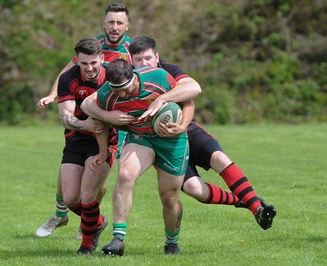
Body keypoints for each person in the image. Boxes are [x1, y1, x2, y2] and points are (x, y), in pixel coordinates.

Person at [82, 35, 277, 233]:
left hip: (186, 128)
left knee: (219, 158)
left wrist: (164, 101)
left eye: (148, 58)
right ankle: (241, 201)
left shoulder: (168, 71)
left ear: (157, 57)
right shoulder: (125, 81)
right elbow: (89, 102)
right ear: (131, 62)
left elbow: (194, 88)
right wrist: (108, 115)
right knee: (195, 190)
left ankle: (257, 209)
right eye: (138, 60)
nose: (144, 63)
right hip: (160, 140)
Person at [35, 3, 132, 239]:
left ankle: (87, 222)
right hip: (80, 120)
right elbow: (67, 71)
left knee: (97, 178)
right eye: (111, 22)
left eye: (119, 23)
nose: (114, 27)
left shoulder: (131, 52)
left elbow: (139, 82)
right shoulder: (92, 46)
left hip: (111, 123)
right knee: (69, 168)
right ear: (104, 23)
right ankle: (62, 213)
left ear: (127, 26)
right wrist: (53, 94)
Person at [84, 58, 196, 255]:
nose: (123, 94)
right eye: (117, 90)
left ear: (133, 76)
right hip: (140, 137)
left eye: (126, 88)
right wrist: (106, 117)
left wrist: (182, 126)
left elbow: (188, 100)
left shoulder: (158, 77)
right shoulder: (109, 94)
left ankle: (172, 241)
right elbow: (90, 110)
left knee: (169, 197)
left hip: (172, 140)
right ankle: (118, 239)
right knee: (125, 174)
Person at [56, 38, 119, 256]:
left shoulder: (113, 76)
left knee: (87, 195)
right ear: (78, 62)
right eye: (84, 64)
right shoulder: (68, 78)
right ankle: (98, 222)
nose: (90, 68)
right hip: (75, 140)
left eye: (94, 63)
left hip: (105, 141)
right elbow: (65, 116)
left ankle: (86, 245)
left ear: (102, 58)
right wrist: (84, 123)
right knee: (71, 199)